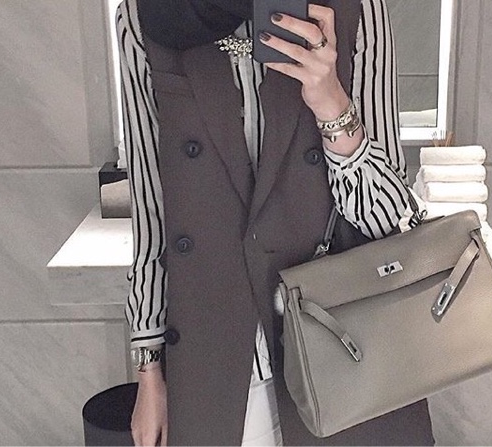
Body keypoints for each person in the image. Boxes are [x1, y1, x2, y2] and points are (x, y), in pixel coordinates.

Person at [116, 0, 433, 445]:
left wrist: (331, 103)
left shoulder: (355, 8)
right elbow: (153, 212)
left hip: (337, 352)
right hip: (214, 358)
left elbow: (386, 219)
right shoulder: (146, 14)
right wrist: (148, 372)